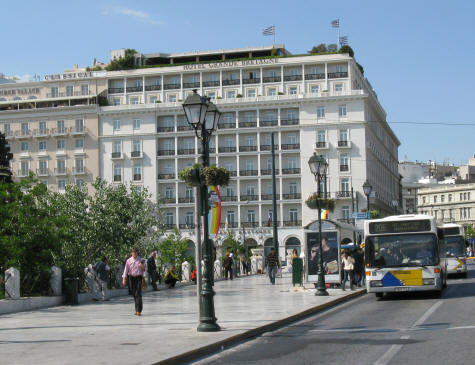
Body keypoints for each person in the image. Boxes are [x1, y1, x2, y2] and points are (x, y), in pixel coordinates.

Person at [122, 248, 145, 316]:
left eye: (135, 252)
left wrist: (142, 266)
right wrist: (124, 278)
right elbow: (126, 270)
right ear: (131, 253)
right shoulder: (128, 260)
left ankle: (139, 310)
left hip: (139, 278)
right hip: (131, 278)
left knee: (138, 293)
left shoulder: (141, 260)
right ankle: (137, 309)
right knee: (134, 293)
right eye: (133, 252)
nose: (134, 253)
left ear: (137, 253)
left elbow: (145, 269)